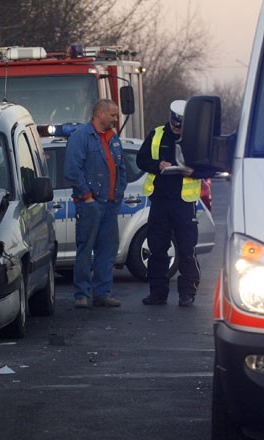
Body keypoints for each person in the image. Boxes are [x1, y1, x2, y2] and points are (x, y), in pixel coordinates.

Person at [136, 99, 203, 307]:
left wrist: (194, 171)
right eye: (174, 125)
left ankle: (187, 293)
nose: (176, 129)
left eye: (180, 126)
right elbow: (141, 160)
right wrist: (158, 165)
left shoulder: (195, 138)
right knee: (157, 249)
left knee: (186, 250)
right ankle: (157, 293)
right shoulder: (156, 134)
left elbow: (209, 167)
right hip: (160, 201)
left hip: (184, 203)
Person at [63, 98, 127, 308]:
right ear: (100, 114)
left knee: (107, 250)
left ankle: (102, 293)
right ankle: (82, 294)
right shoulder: (81, 137)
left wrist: (118, 194)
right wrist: (87, 196)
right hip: (90, 203)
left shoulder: (113, 138)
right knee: (86, 248)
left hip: (110, 204)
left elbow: (121, 168)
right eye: (113, 115)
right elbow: (72, 170)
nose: (116, 119)